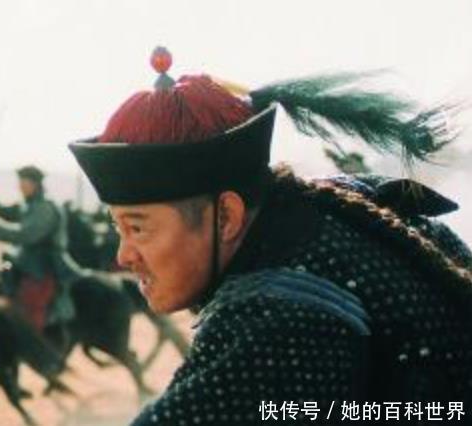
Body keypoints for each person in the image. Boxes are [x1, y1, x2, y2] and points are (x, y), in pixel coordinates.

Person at [69, 47, 472, 424]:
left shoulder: (275, 320)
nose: (123, 255)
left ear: (226, 216)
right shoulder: (343, 205)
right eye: (118, 228)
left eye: (137, 228)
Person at [0, 166, 79, 337]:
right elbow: (5, 213)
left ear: (36, 185)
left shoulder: (44, 208)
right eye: (20, 183)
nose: (21, 187)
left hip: (43, 264)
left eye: (25, 183)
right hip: (28, 261)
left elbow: (26, 235)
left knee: (31, 303)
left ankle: (32, 337)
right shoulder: (29, 205)